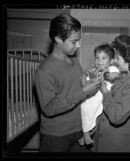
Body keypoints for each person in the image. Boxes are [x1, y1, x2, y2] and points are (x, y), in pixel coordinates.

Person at [34, 13, 101, 152]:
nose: (78, 45)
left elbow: (74, 88)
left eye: (79, 40)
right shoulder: (44, 70)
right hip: (55, 137)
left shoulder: (74, 61)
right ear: (58, 38)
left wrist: (89, 79)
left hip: (78, 131)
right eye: (74, 41)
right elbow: (49, 108)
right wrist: (83, 92)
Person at [78, 43, 120, 145]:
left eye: (103, 58)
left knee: (98, 119)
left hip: (105, 97)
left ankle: (86, 136)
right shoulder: (92, 71)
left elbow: (122, 77)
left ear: (111, 61)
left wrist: (117, 75)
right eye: (97, 58)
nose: (99, 61)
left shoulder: (113, 69)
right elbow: (84, 85)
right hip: (93, 97)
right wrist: (86, 77)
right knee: (85, 107)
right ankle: (86, 134)